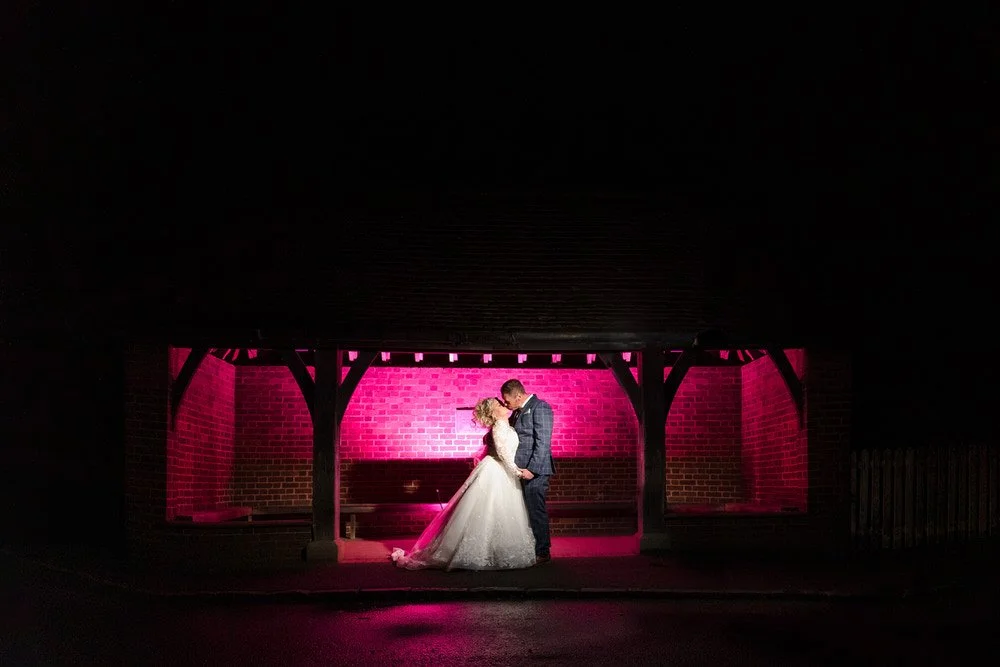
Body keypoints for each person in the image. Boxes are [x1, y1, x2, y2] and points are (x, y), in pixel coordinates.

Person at [390, 397, 536, 571]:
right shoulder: (498, 427)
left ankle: (498, 551)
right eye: (499, 405)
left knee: (502, 511)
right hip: (496, 470)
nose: (504, 405)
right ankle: (478, 553)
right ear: (493, 412)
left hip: (503, 472)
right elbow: (504, 454)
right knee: (488, 510)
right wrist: (519, 472)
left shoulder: (507, 425)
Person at [500, 379, 555, 564]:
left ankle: (543, 552)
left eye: (507, 400)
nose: (506, 404)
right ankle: (529, 548)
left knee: (535, 510)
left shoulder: (541, 407)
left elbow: (543, 442)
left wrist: (532, 469)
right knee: (523, 511)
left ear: (517, 395)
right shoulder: (516, 412)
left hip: (535, 471)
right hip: (519, 471)